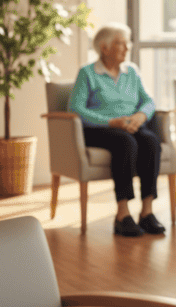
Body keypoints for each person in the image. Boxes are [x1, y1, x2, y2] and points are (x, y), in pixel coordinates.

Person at [68, 23, 165, 237]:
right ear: (104, 48)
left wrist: (141, 116)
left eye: (127, 42)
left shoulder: (132, 72)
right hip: (100, 129)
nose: (127, 47)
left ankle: (147, 212)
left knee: (150, 141)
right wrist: (110, 122)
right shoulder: (87, 73)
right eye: (121, 43)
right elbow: (76, 109)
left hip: (130, 124)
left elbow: (148, 101)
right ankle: (122, 214)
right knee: (125, 142)